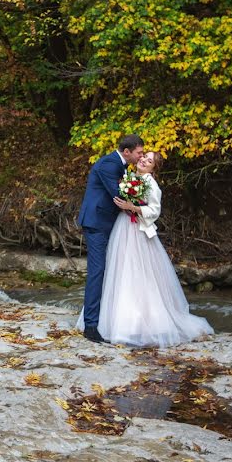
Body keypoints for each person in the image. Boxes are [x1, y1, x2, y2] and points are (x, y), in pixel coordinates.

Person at [79, 151, 214, 347]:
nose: (143, 160)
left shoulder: (151, 184)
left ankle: (141, 322)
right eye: (143, 157)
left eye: (149, 161)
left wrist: (132, 207)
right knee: (118, 269)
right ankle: (110, 319)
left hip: (138, 231)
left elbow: (154, 211)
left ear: (154, 168)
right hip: (122, 227)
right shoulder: (130, 177)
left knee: (139, 273)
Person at [77, 134, 145, 343]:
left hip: (107, 222)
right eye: (139, 153)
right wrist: (146, 204)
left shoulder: (121, 166)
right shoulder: (109, 164)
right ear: (127, 152)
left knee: (108, 270)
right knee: (97, 272)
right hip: (96, 222)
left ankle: (102, 320)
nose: (141, 156)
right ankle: (90, 327)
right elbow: (118, 195)